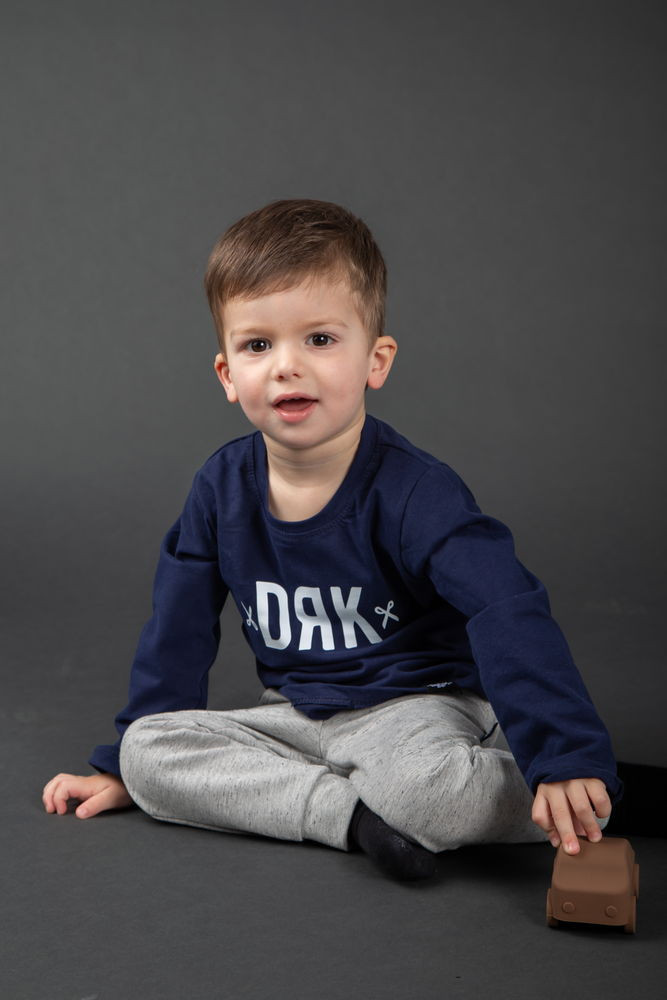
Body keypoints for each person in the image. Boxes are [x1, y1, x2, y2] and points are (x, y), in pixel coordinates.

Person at [42, 199, 654, 880]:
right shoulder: (220, 486)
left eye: (320, 339)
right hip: (298, 719)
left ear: (375, 360)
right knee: (147, 753)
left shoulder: (415, 491)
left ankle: (587, 792)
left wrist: (565, 751)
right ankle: (356, 819)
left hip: (417, 711)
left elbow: (503, 605)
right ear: (227, 375)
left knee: (428, 795)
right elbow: (177, 629)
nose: (286, 366)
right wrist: (120, 767)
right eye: (258, 345)